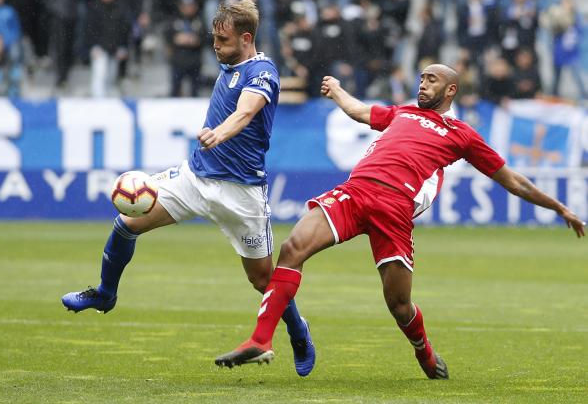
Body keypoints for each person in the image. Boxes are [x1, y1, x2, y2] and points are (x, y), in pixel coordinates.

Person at [214, 64, 585, 378]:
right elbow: (361, 112)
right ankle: (262, 339)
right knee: (293, 248)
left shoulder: (461, 135)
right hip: (355, 192)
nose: (423, 84)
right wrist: (338, 91)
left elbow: (513, 179)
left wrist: (559, 208)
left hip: (394, 208)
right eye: (421, 79)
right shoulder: (402, 113)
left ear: (450, 89)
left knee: (399, 304)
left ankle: (423, 351)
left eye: (431, 80)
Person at [61, 0, 316, 377]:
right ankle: (105, 293)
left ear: (247, 39)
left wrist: (219, 133)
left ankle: (298, 331)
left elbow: (246, 112)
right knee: (126, 223)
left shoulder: (262, 71)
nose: (216, 45)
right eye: (214, 37)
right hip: (195, 179)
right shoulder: (228, 65)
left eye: (223, 39)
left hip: (241, 193)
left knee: (262, 278)